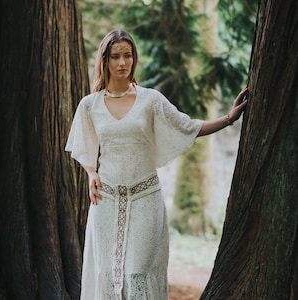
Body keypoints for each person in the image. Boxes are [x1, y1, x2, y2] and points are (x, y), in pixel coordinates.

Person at [65, 29, 248, 300]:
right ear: (104, 61)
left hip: (145, 198)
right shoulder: (89, 106)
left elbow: (187, 126)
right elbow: (84, 148)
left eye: (127, 55)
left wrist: (229, 118)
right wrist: (91, 173)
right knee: (105, 272)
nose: (122, 63)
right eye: (115, 56)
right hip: (106, 201)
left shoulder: (150, 100)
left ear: (134, 59)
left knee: (137, 273)